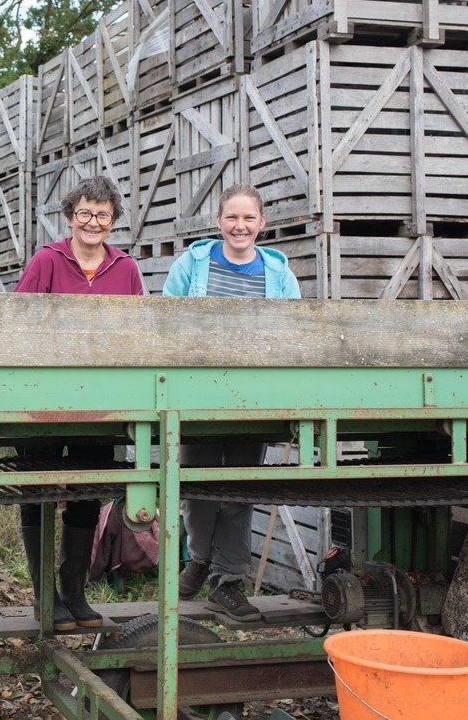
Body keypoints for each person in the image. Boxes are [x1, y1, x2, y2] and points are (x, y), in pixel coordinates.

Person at [163, 183, 300, 622]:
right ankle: (199, 557)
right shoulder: (192, 263)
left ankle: (228, 581)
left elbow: (295, 331)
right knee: (196, 489)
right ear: (218, 221)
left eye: (248, 218)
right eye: (232, 217)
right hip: (197, 395)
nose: (239, 226)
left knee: (239, 491)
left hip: (251, 398)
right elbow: (166, 320)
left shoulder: (279, 274)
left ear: (262, 223)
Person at [13, 175, 144, 631]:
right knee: (38, 492)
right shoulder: (47, 260)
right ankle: (44, 597)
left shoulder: (125, 268)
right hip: (41, 400)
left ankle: (74, 594)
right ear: (70, 217)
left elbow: (137, 333)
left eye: (102, 215)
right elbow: (16, 323)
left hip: (99, 403)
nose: (92, 222)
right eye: (84, 213)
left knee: (87, 492)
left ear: (112, 222)